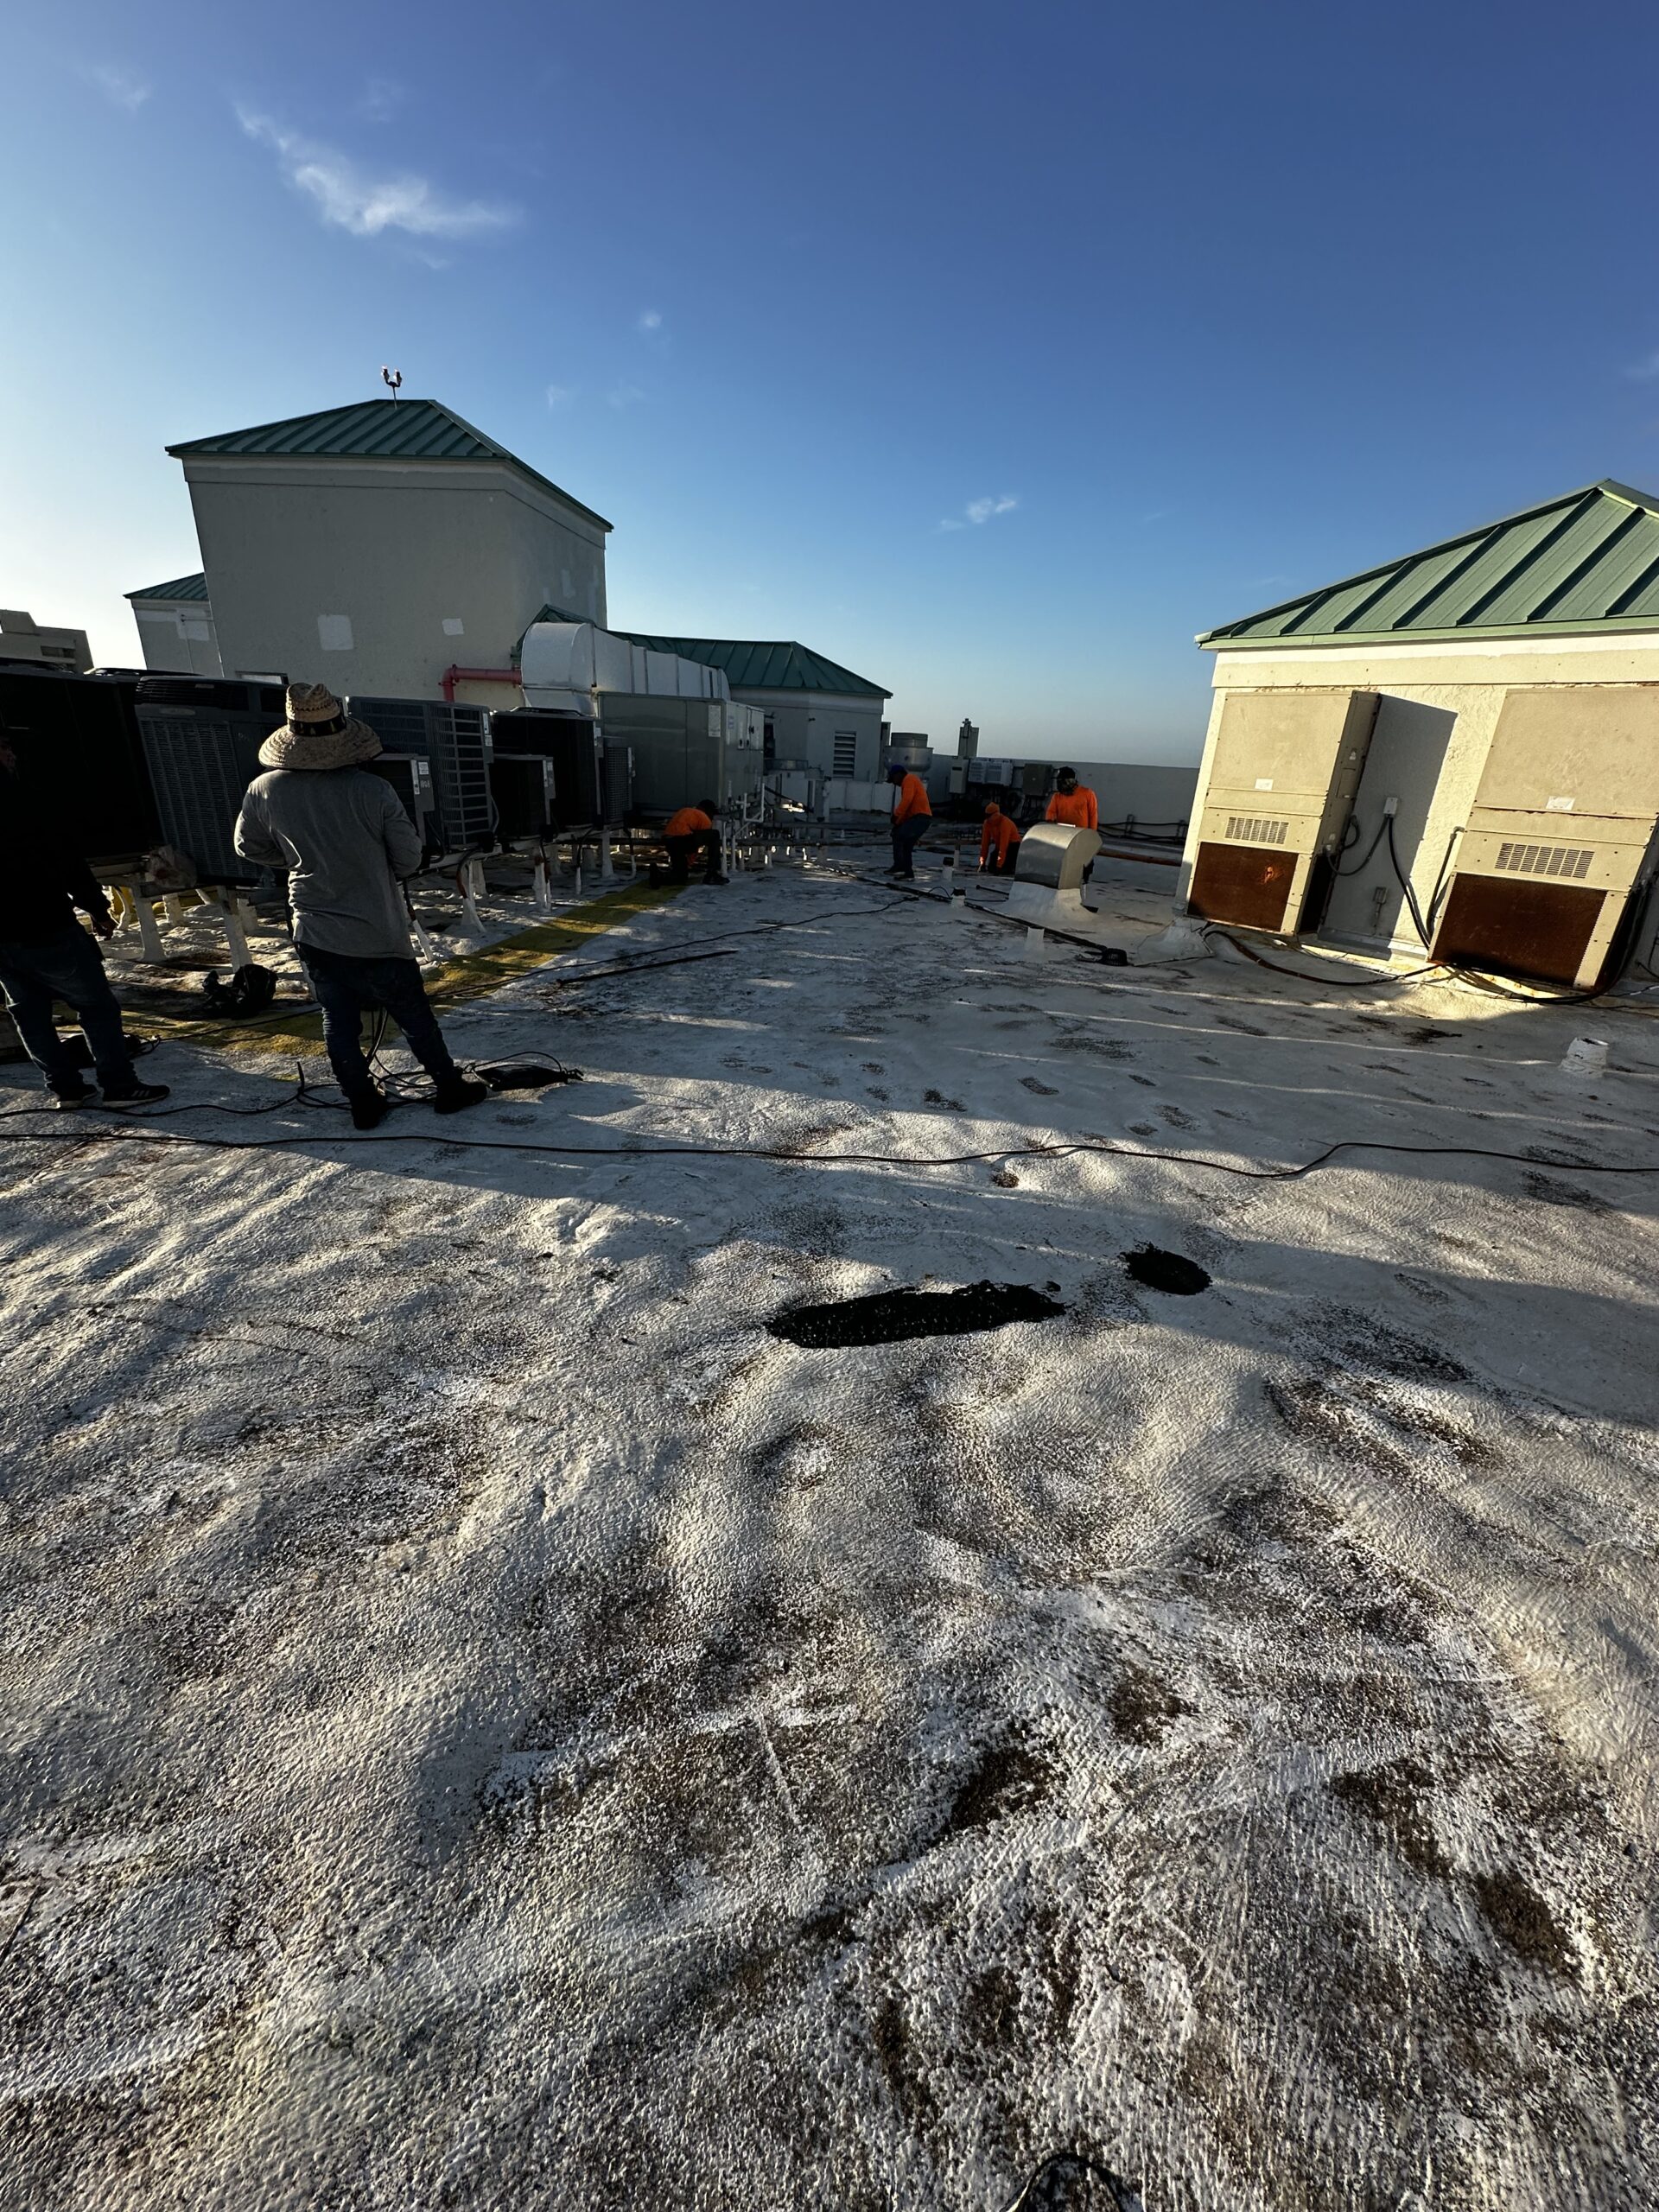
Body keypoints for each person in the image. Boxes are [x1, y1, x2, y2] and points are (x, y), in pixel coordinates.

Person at [233, 683, 486, 1130]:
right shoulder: (373, 790)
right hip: (377, 929)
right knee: (413, 1016)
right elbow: (408, 859)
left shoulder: (264, 788)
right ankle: (449, 1088)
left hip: (313, 928)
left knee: (338, 1017)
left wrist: (296, 860)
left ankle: (362, 1102)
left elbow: (246, 847)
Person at [0, 727, 168, 1109]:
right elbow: (67, 861)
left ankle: (67, 1089)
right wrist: (97, 907)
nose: (12, 755)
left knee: (30, 1013)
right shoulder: (24, 800)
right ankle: (119, 1086)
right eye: (6, 747)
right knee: (96, 1006)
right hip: (44, 924)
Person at [651, 799, 728, 887]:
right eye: (712, 813)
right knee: (715, 834)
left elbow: (691, 837)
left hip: (669, 842)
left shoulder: (686, 810)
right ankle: (712, 874)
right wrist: (690, 862)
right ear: (708, 811)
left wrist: (685, 865)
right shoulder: (704, 818)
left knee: (681, 877)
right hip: (682, 840)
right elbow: (694, 845)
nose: (712, 817)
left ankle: (659, 877)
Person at [887, 764, 932, 878]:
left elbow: (907, 801)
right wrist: (898, 823)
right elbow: (907, 810)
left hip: (921, 818)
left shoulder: (909, 779)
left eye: (893, 779)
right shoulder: (908, 783)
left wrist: (896, 815)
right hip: (920, 818)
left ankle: (900, 865)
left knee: (898, 836)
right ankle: (908, 872)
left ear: (899, 774)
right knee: (906, 844)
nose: (894, 783)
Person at [1045, 767, 1099, 831]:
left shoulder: (1088, 794)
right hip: (1062, 832)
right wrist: (1050, 821)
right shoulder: (1057, 796)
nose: (1062, 786)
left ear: (1071, 781)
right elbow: (1051, 811)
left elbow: (1093, 815)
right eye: (1059, 782)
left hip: (1081, 833)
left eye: (1064, 782)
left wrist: (1092, 833)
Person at [979, 800, 1022, 875]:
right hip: (1000, 846)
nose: (987, 818)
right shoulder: (987, 824)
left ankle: (1011, 867)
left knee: (1006, 870)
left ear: (995, 815)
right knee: (991, 868)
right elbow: (984, 844)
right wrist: (982, 862)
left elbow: (1004, 846)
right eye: (986, 816)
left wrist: (999, 866)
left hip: (1013, 845)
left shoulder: (1004, 823)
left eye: (989, 816)